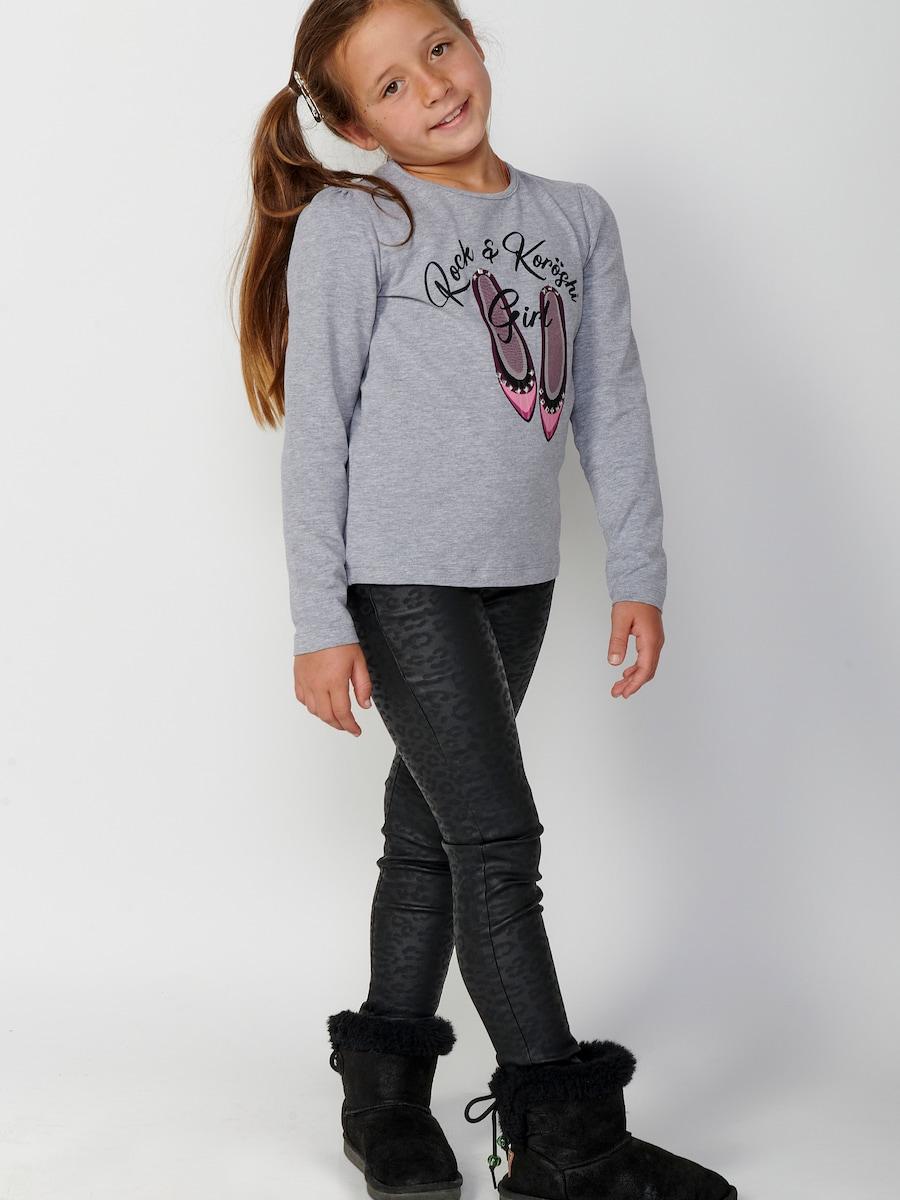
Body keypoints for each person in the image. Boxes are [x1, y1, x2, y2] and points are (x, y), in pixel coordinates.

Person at [232, 1, 738, 1198]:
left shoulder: (576, 217)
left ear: (471, 40)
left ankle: (384, 1096)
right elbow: (318, 434)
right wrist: (319, 621)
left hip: (521, 577)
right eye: (391, 86)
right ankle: (565, 1144)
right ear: (359, 127)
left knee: (430, 835)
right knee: (498, 844)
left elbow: (612, 401)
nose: (433, 87)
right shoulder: (359, 222)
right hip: (402, 577)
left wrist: (640, 572)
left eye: (439, 50)